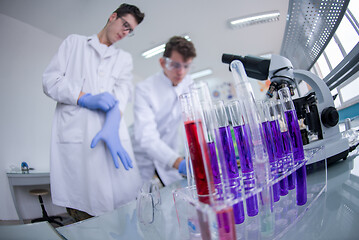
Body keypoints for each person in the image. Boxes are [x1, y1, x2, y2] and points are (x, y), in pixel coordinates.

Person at [42, 4, 145, 221]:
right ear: (112, 17)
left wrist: (111, 127)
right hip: (77, 146)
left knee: (121, 213)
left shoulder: (123, 59)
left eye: (130, 30)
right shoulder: (74, 43)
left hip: (111, 144)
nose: (125, 32)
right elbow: (50, 81)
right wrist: (83, 97)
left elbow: (121, 97)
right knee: (85, 214)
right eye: (124, 25)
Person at [132, 36, 197, 186]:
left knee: (175, 193)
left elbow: (195, 120)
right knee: (144, 197)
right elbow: (146, 137)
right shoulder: (145, 88)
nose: (181, 72)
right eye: (175, 65)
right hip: (141, 154)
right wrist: (179, 162)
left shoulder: (189, 83)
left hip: (170, 150)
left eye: (186, 66)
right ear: (162, 62)